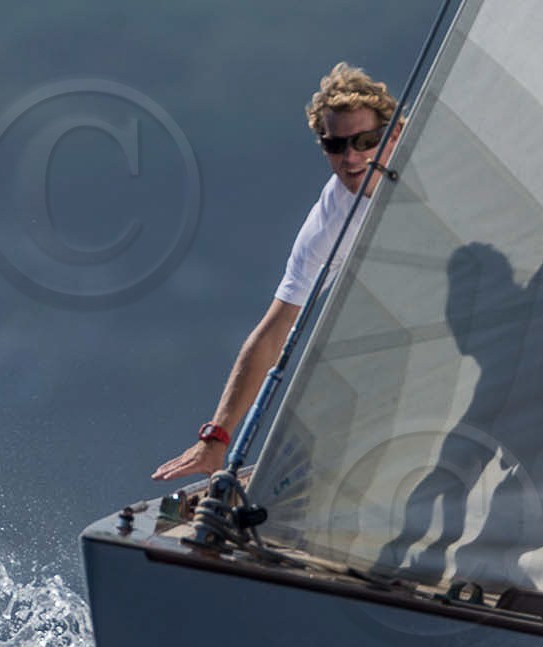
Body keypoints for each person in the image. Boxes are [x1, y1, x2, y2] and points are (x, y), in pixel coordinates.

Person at [150, 62, 402, 482]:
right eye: (335, 146)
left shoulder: (439, 161)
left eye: (366, 140)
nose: (352, 157)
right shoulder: (330, 222)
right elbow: (276, 328)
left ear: (394, 135)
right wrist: (216, 438)